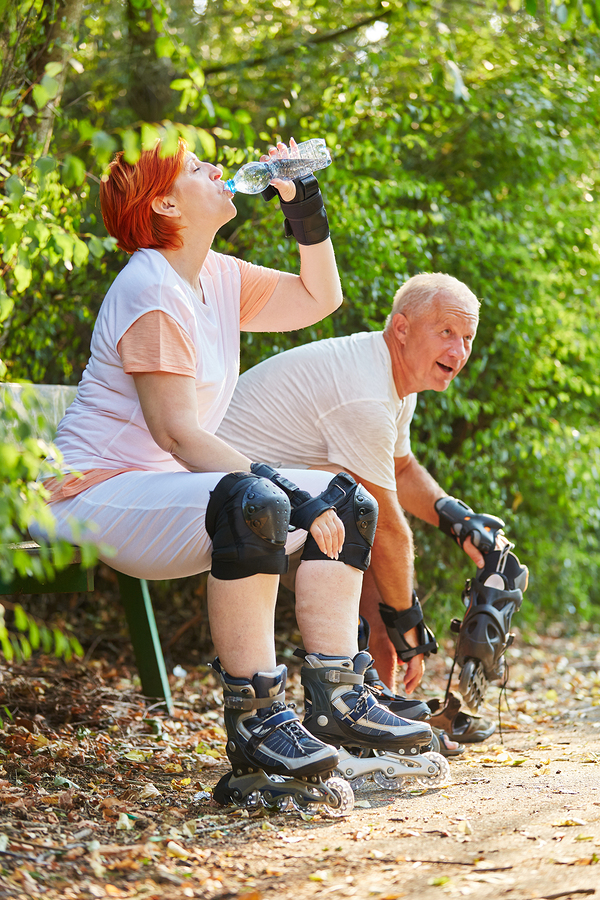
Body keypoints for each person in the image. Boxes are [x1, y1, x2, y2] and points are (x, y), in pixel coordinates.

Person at [29, 138, 437, 811]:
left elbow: (317, 297)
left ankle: (337, 702)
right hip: (97, 494)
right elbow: (178, 433)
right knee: (256, 502)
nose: (218, 172)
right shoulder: (148, 286)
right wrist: (285, 494)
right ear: (163, 201)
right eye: (196, 169)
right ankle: (258, 723)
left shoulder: (212, 276)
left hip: (169, 493)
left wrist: (304, 206)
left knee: (350, 500)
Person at [218, 273, 527, 744]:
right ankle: (359, 712)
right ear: (401, 328)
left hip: (275, 503)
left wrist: (457, 518)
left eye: (467, 338)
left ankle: (374, 704)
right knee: (370, 539)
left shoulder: (391, 379)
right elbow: (388, 532)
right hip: (227, 508)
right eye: (446, 332)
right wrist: (410, 630)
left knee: (365, 547)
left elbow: (401, 470)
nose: (459, 351)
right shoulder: (365, 391)